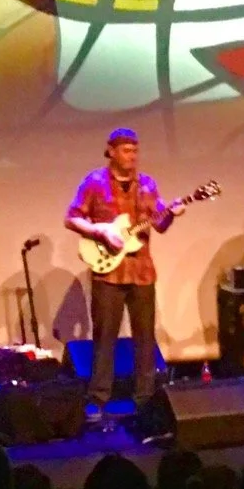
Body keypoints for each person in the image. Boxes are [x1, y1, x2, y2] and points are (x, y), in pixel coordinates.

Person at [65, 128, 185, 418]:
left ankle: (145, 397)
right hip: (109, 273)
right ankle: (98, 397)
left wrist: (171, 212)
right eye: (126, 150)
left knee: (144, 337)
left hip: (142, 270)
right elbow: (71, 217)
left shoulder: (146, 184)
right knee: (105, 336)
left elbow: (159, 224)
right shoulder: (94, 182)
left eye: (135, 150)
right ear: (111, 151)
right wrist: (99, 229)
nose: (132, 156)